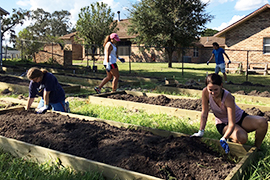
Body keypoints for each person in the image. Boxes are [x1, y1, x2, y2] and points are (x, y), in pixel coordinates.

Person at [192, 73, 268, 153]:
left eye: (216, 89)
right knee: (242, 138)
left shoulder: (227, 97)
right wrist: (201, 131)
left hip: (239, 118)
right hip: (224, 123)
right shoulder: (205, 92)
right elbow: (204, 113)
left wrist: (224, 138)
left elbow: (232, 123)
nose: (213, 93)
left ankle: (256, 149)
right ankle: (233, 141)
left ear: (221, 85)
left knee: (262, 122)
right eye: (210, 90)